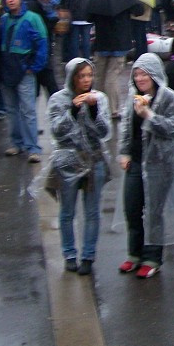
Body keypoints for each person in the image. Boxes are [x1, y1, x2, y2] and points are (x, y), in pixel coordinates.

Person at [117, 53, 174, 278]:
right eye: (136, 74)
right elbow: (126, 127)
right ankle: (134, 253)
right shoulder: (134, 97)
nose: (140, 78)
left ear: (155, 74)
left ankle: (152, 257)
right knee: (132, 208)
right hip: (137, 161)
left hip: (160, 164)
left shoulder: (169, 98)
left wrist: (149, 115)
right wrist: (124, 152)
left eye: (144, 73)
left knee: (154, 211)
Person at [45, 58, 111, 275]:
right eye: (81, 76)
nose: (86, 80)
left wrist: (92, 111)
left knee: (92, 211)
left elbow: (104, 132)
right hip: (68, 159)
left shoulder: (98, 98)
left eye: (89, 76)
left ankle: (88, 255)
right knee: (67, 210)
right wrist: (72, 111)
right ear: (72, 77)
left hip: (93, 157)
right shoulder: (58, 99)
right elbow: (57, 131)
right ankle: (69, 254)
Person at [0, 0, 48, 162]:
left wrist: (34, 67)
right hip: (6, 69)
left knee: (28, 109)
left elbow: (42, 43)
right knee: (11, 110)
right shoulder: (4, 19)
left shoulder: (33, 18)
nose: (10, 0)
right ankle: (17, 142)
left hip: (24, 71)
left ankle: (33, 147)